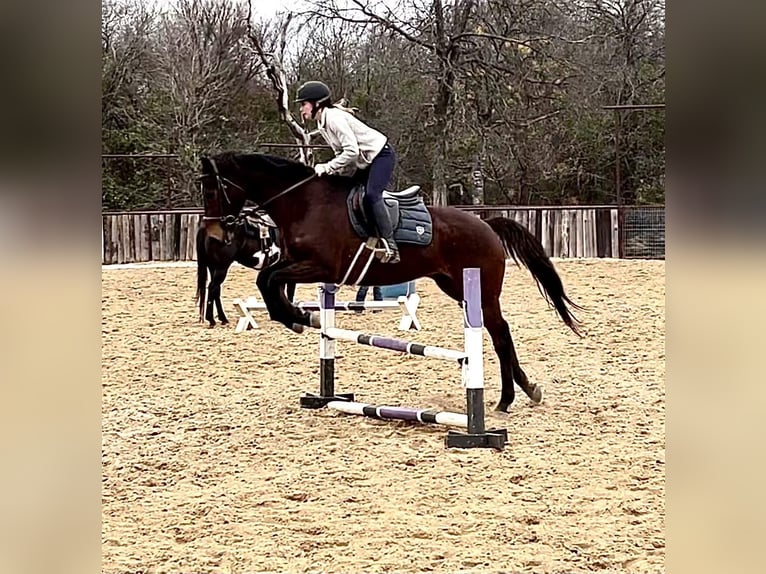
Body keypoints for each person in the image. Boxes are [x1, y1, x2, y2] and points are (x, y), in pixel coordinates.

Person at [295, 80, 400, 264]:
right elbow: (340, 153)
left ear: (316, 103)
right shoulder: (322, 123)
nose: (301, 109)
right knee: (348, 195)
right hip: (365, 161)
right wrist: (331, 173)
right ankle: (367, 237)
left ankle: (390, 245)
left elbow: (351, 152)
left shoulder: (334, 118)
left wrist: (327, 167)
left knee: (371, 196)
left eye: (304, 104)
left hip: (381, 155)